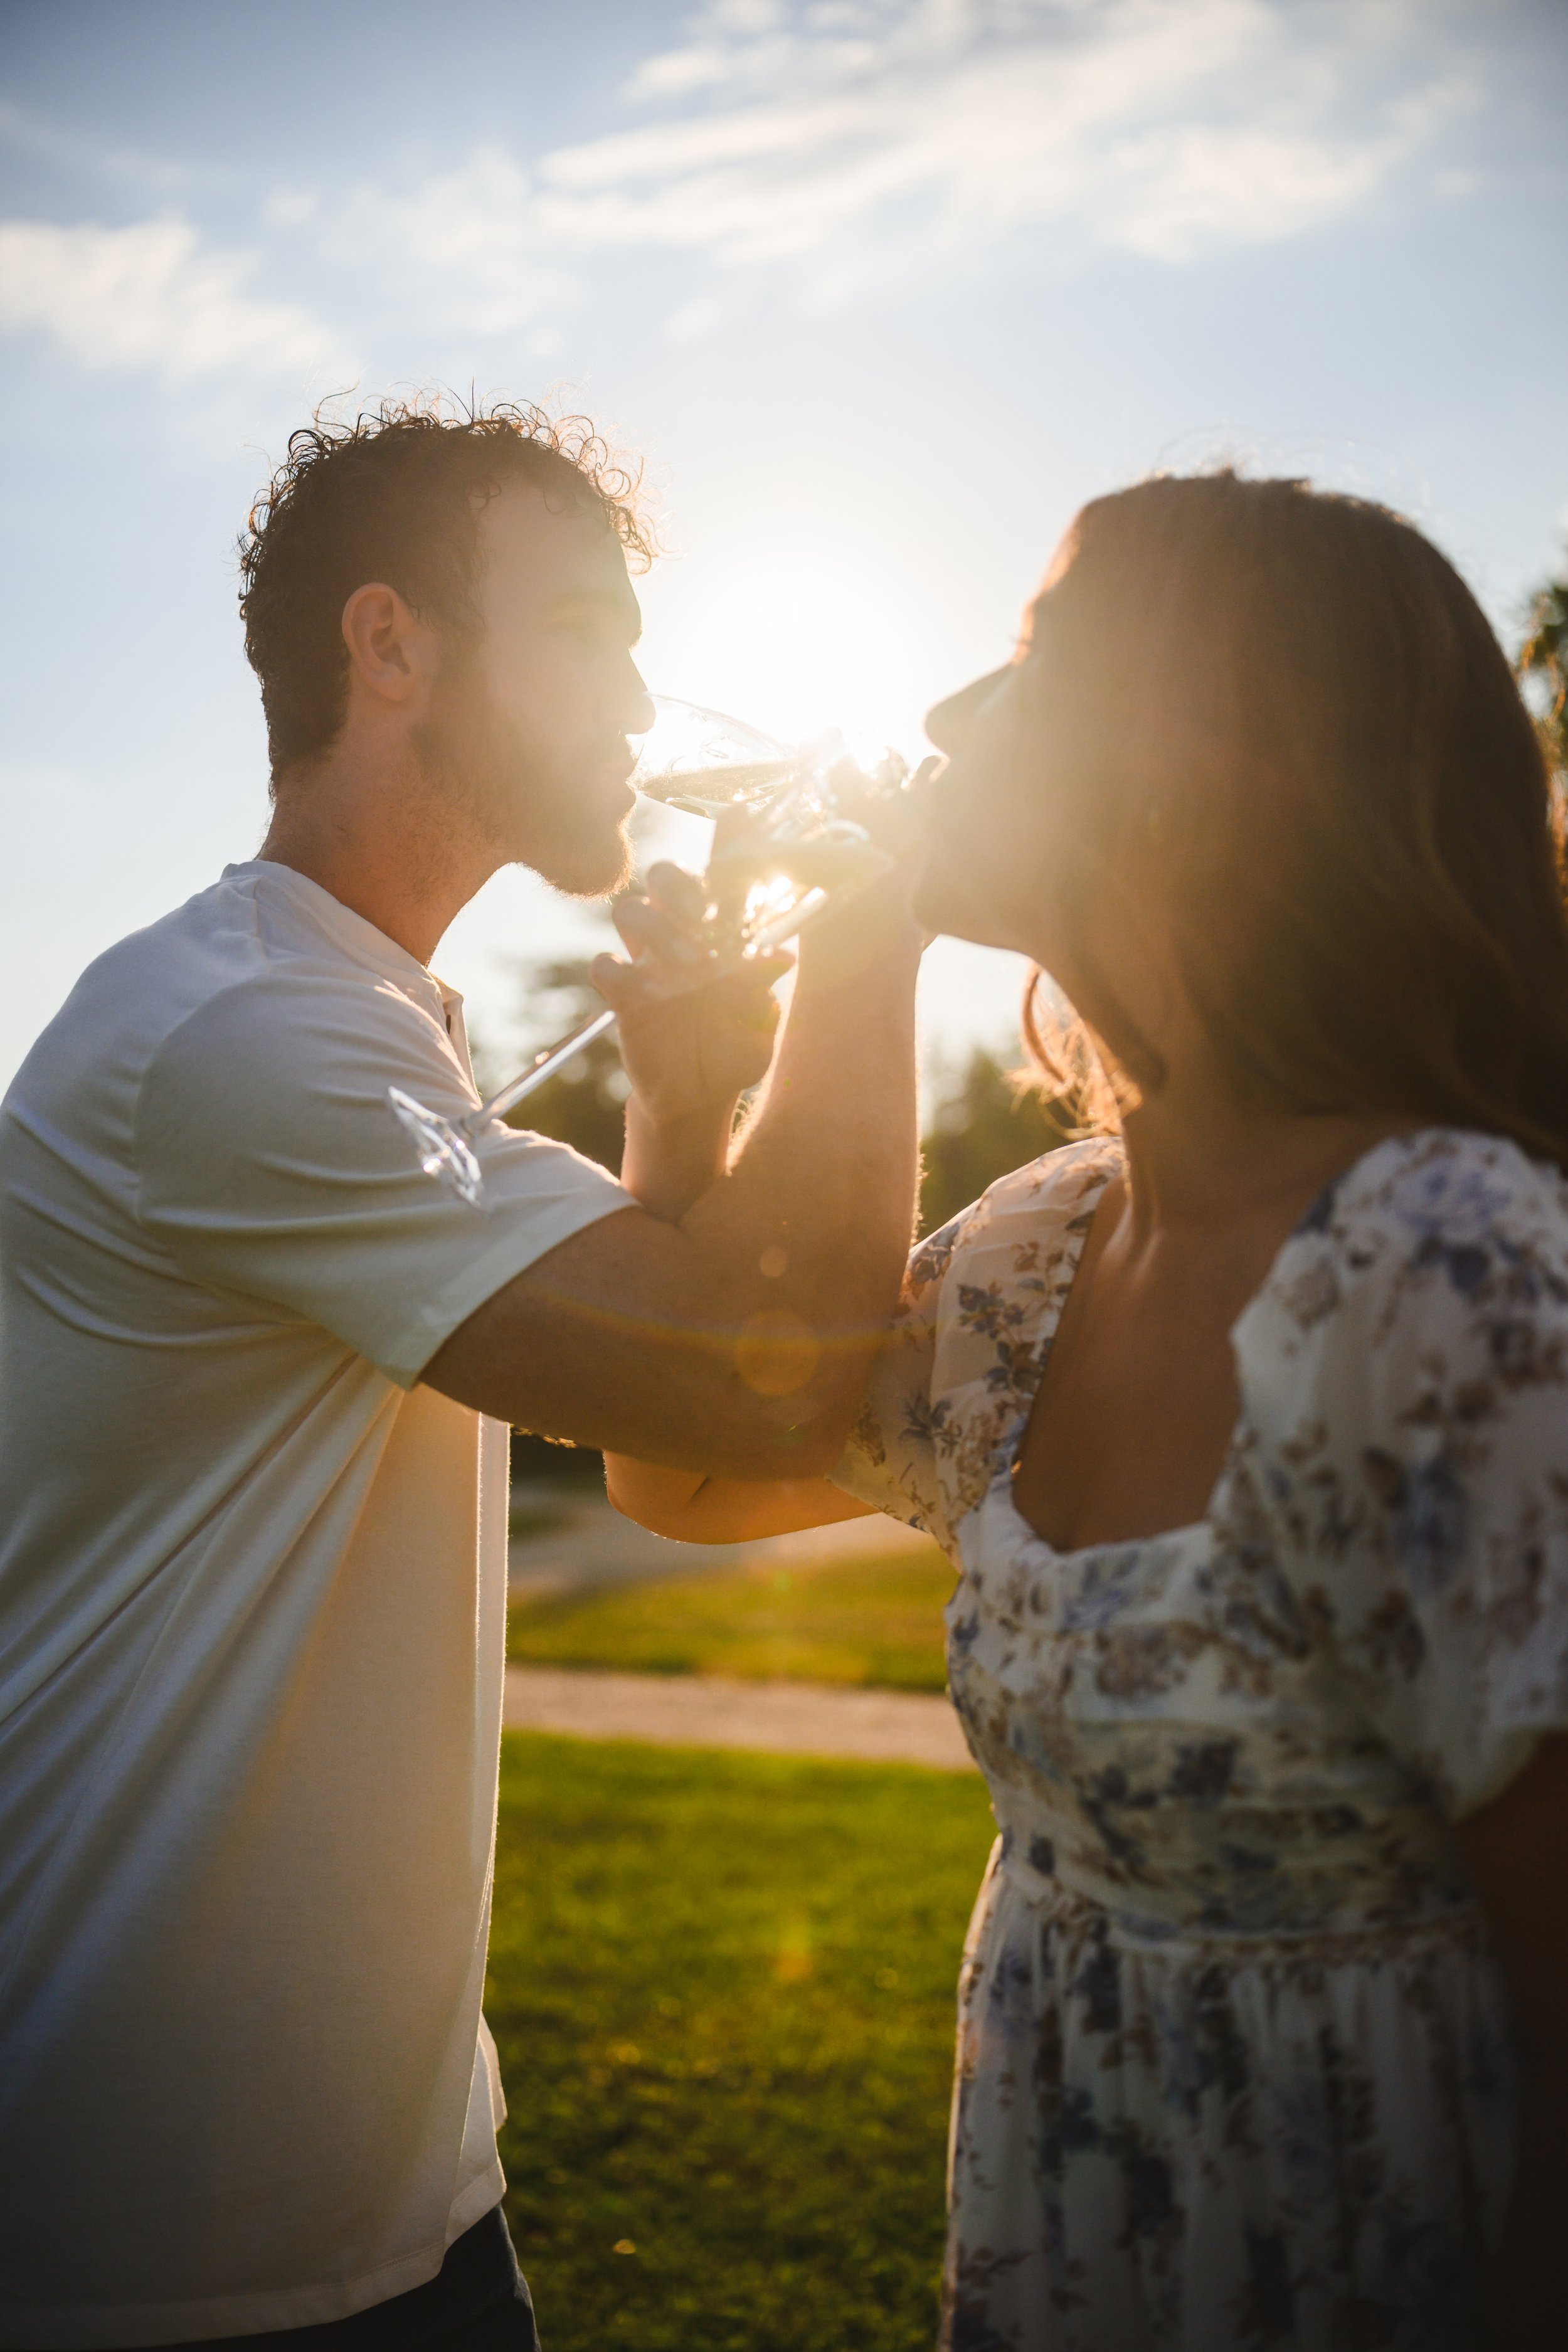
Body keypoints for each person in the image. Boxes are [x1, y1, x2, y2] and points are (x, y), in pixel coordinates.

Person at [607, 471, 1568, 2351]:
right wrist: (716, 1069)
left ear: (1199, 764)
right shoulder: (1043, 1245)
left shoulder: (1445, 1274)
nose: (953, 717)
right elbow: (688, 1462)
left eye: (1035, 654)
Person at [0, 398, 923, 2347]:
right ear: (391, 645)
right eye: (585, 626)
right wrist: (875, 917)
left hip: (409, 2192)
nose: (643, 689)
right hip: (157, 2246)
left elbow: (681, 1327)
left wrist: (682, 1092)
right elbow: (752, 1393)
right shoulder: (248, 1044)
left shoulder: (342, 1021)